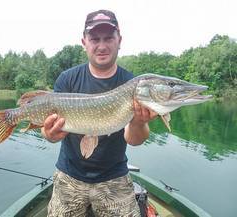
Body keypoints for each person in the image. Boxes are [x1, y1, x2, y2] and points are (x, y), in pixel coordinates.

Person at [41, 9, 157, 217]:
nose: (102, 46)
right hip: (69, 175)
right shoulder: (67, 79)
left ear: (119, 40)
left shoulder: (132, 84)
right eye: (95, 39)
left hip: (114, 178)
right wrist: (49, 135)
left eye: (108, 38)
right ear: (84, 42)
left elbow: (134, 140)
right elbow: (48, 132)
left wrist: (138, 123)